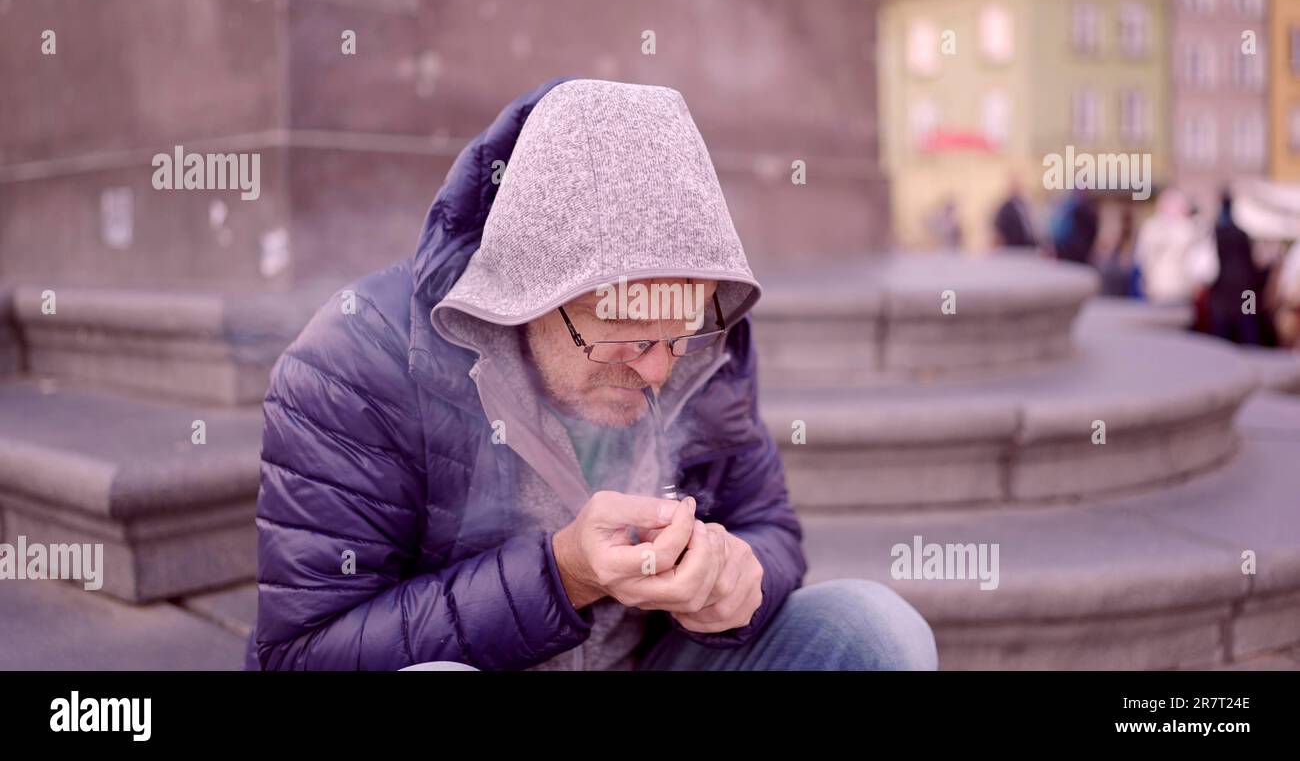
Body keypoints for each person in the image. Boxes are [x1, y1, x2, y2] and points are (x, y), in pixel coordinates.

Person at [246, 78, 938, 672]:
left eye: (679, 332)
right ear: (525, 296)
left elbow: (768, 525)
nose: (660, 368)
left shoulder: (704, 344)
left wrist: (737, 573)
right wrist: (560, 575)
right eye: (626, 341)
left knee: (875, 625)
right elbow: (302, 651)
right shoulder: (354, 363)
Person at [1133, 188, 1216, 305]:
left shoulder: (1152, 227)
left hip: (1170, 287)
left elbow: (1141, 257)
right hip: (1169, 287)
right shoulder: (1189, 228)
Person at [1208, 190, 1267, 345]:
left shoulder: (1216, 233)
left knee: (1220, 341)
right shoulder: (1242, 234)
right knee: (1249, 334)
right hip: (1245, 290)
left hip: (1222, 292)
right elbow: (1252, 264)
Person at [992, 177, 1037, 248]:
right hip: (1013, 249)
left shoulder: (1024, 205)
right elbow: (999, 231)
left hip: (1027, 248)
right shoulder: (1005, 208)